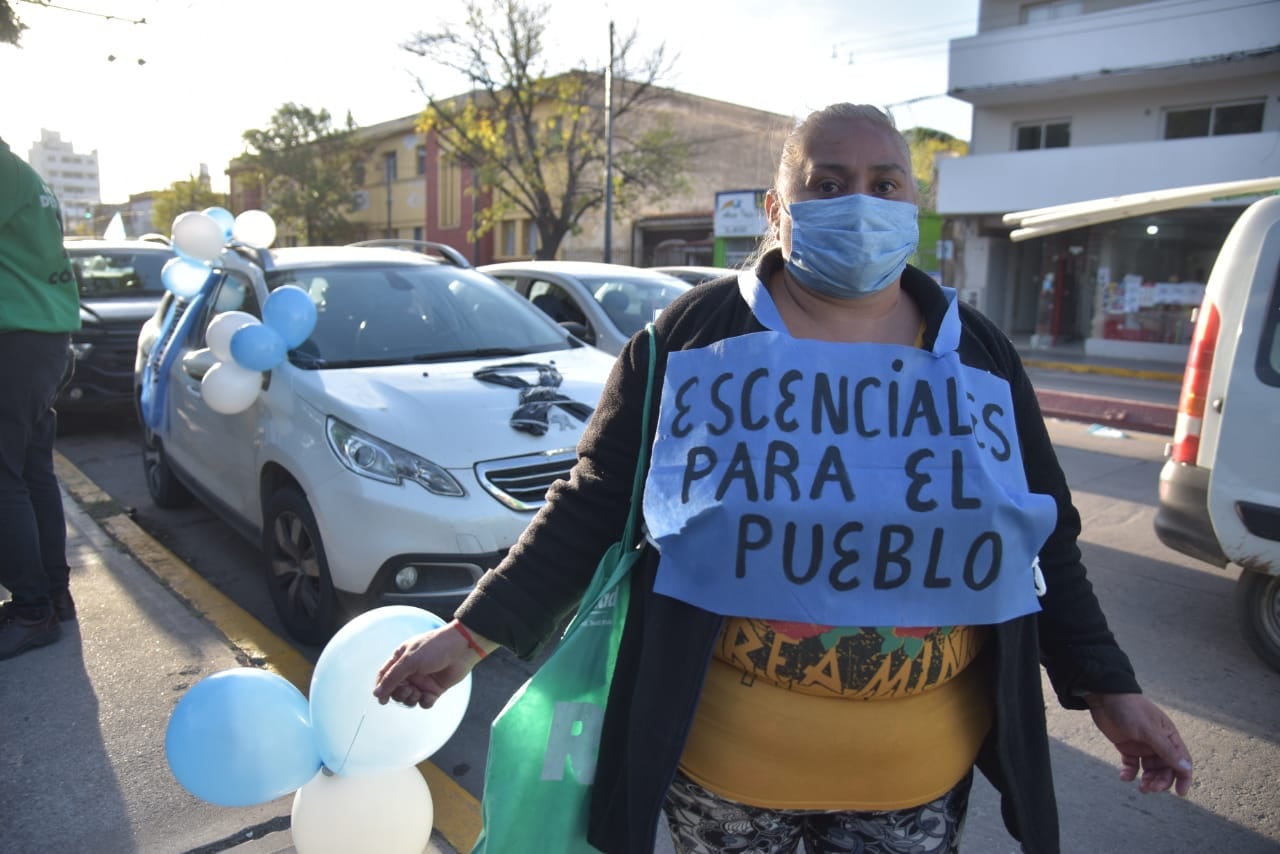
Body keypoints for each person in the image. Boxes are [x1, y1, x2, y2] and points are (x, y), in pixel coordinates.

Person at [373, 104, 1193, 854]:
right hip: (725, 779)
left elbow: (1043, 535)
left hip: (913, 784)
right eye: (826, 184)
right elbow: (594, 503)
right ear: (777, 209)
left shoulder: (975, 352)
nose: (858, 203)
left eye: (884, 183)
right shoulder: (689, 340)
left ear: (912, 205)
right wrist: (471, 633)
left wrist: (1106, 685)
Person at [0, 136, 81, 660]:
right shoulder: (22, 172)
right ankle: (52, 595)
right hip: (42, 338)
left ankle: (32, 610)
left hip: (15, 338)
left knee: (5, 480)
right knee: (31, 473)